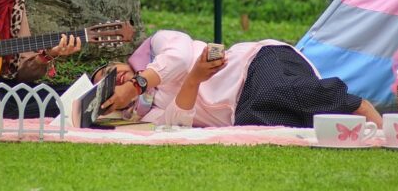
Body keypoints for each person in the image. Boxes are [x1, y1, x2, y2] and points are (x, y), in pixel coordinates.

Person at [95, 30, 381, 128]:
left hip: (254, 65)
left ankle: (360, 108)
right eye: (107, 84)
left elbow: (180, 57)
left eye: (109, 70)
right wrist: (193, 81)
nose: (113, 77)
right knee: (279, 126)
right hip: (243, 111)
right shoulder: (145, 114)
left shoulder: (158, 45)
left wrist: (136, 86)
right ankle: (353, 127)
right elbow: (177, 122)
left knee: (280, 91)